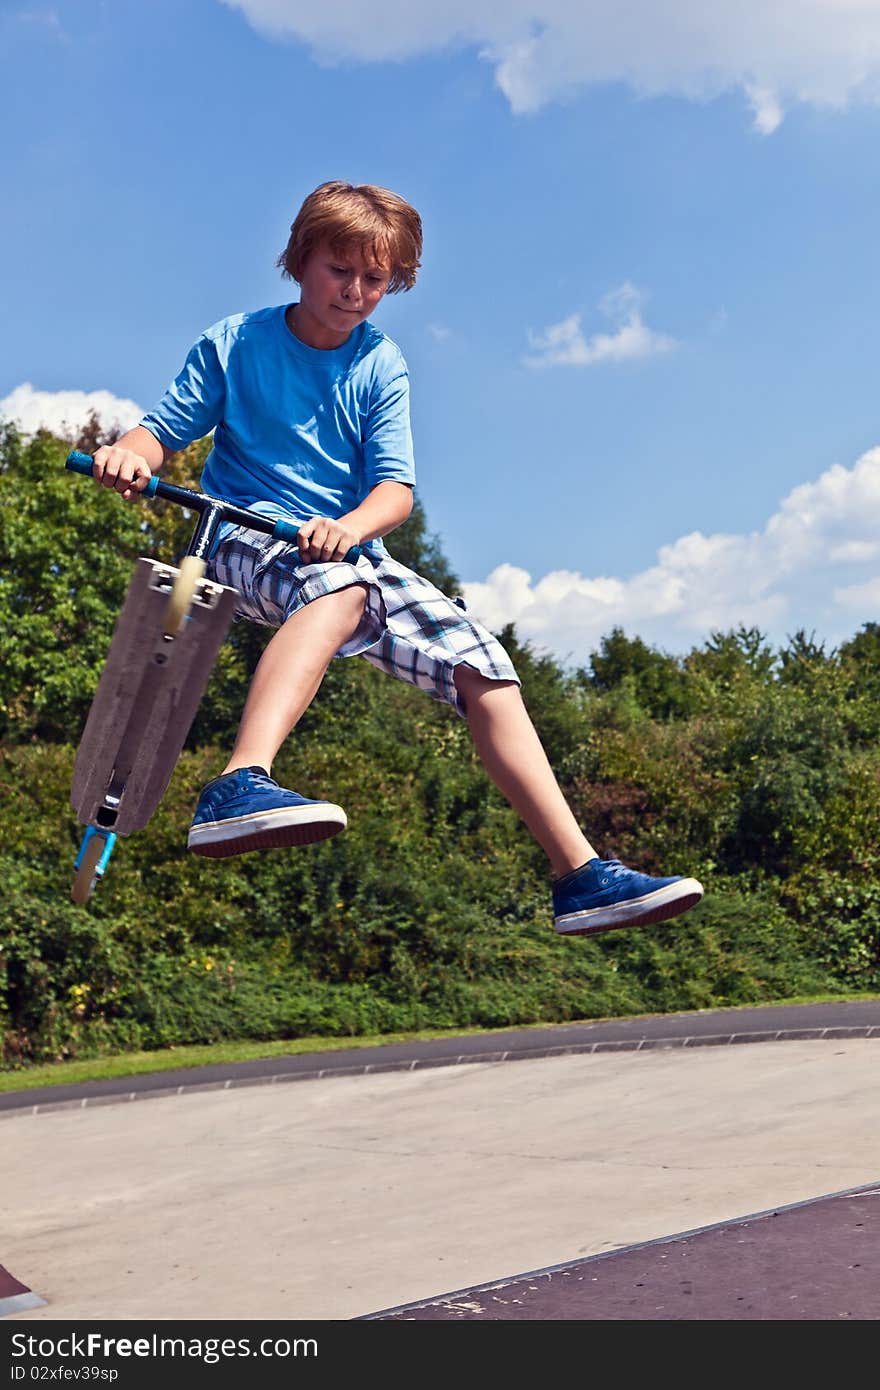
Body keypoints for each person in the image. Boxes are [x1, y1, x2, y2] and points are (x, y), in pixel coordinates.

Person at [89, 180, 703, 937]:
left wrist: (347, 526)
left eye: (374, 279)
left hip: (342, 546)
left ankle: (579, 876)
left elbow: (395, 492)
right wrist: (127, 454)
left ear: (395, 282)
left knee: (486, 665)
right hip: (243, 533)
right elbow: (160, 433)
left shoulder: (381, 363)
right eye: (339, 270)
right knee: (340, 589)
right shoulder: (237, 343)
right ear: (300, 259)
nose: (354, 292)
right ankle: (237, 784)